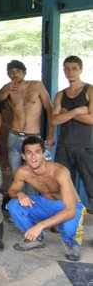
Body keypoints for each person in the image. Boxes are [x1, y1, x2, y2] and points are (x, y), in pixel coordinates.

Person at [7, 136, 86, 261]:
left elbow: (70, 210)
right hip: (46, 205)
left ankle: (71, 243)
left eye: (37, 152)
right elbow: (12, 191)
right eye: (29, 152)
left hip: (68, 206)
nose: (33, 157)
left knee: (69, 228)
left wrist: (40, 225)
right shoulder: (23, 172)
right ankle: (36, 239)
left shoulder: (60, 171)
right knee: (14, 205)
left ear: (44, 154)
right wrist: (20, 194)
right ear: (23, 156)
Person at [0, 60, 55, 178]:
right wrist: (8, 88)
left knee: (34, 176)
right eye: (11, 72)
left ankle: (32, 197)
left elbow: (50, 109)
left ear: (24, 73)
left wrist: (51, 134)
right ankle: (19, 196)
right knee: (16, 175)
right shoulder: (8, 88)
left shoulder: (37, 85)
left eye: (18, 71)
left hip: (32, 136)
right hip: (14, 136)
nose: (15, 74)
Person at [51, 55, 93, 211]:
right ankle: (65, 220)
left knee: (91, 185)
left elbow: (92, 119)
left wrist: (66, 114)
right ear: (63, 71)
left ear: (81, 70)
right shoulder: (61, 94)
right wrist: (75, 111)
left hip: (86, 146)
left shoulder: (90, 90)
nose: (70, 72)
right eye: (67, 69)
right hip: (64, 146)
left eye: (74, 68)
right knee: (62, 185)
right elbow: (54, 120)